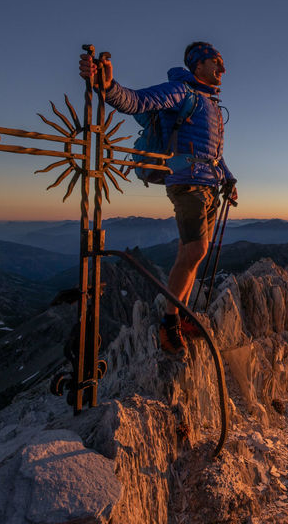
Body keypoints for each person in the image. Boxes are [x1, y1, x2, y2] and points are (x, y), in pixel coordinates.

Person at [79, 42, 237, 356]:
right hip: (187, 184)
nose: (223, 69)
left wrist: (228, 178)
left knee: (191, 255)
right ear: (198, 65)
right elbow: (138, 102)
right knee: (196, 250)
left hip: (208, 185)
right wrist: (108, 87)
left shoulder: (212, 105)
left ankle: (180, 314)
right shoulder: (181, 92)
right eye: (216, 62)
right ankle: (169, 322)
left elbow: (214, 154)